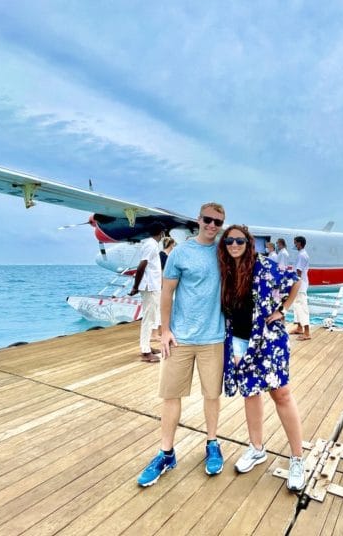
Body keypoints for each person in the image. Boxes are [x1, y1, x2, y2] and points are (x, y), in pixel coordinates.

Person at [137, 202, 227, 487]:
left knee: (212, 395)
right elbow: (167, 292)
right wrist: (164, 331)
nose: (213, 226)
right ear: (199, 220)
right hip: (181, 338)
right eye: (209, 220)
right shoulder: (181, 252)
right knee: (171, 396)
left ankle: (212, 444)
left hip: (214, 337)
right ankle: (166, 453)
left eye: (218, 222)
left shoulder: (225, 252)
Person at [218, 224, 306, 492]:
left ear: (249, 243)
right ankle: (257, 449)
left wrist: (283, 310)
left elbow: (295, 281)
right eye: (229, 241)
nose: (234, 245)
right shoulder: (227, 271)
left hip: (268, 340)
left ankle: (297, 459)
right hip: (240, 342)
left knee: (281, 394)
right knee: (251, 393)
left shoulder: (264, 265)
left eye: (240, 241)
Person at [130, 222, 165, 363]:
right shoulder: (151, 245)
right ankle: (145, 352)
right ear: (161, 233)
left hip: (153, 286)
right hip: (150, 287)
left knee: (151, 317)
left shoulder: (152, 244)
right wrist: (135, 286)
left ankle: (147, 347)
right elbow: (142, 265)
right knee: (148, 319)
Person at [291, 236, 311, 340]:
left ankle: (307, 333)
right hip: (300, 284)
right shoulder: (302, 254)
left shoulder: (302, 255)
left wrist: (295, 284)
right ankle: (299, 328)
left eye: (295, 243)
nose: (294, 245)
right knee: (297, 306)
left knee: (302, 307)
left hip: (300, 285)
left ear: (299, 243)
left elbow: (298, 271)